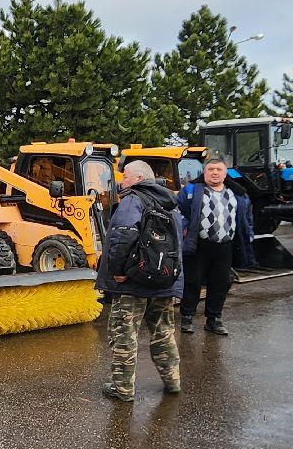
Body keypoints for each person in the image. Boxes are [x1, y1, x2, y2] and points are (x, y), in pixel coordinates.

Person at [94, 160, 185, 403]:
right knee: (164, 333)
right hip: (163, 282)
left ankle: (123, 389)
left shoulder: (133, 200)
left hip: (132, 284)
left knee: (124, 335)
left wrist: (117, 271)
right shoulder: (172, 204)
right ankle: (173, 380)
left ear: (138, 179)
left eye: (125, 177)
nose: (122, 182)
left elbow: (122, 237)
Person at [176, 156, 254, 336]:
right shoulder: (191, 190)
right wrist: (184, 228)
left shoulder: (238, 194)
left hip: (225, 246)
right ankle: (187, 317)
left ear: (225, 173)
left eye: (219, 169)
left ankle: (213, 319)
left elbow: (247, 217)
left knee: (220, 283)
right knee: (192, 281)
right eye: (211, 169)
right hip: (198, 244)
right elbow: (177, 210)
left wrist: (248, 233)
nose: (215, 173)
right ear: (204, 172)